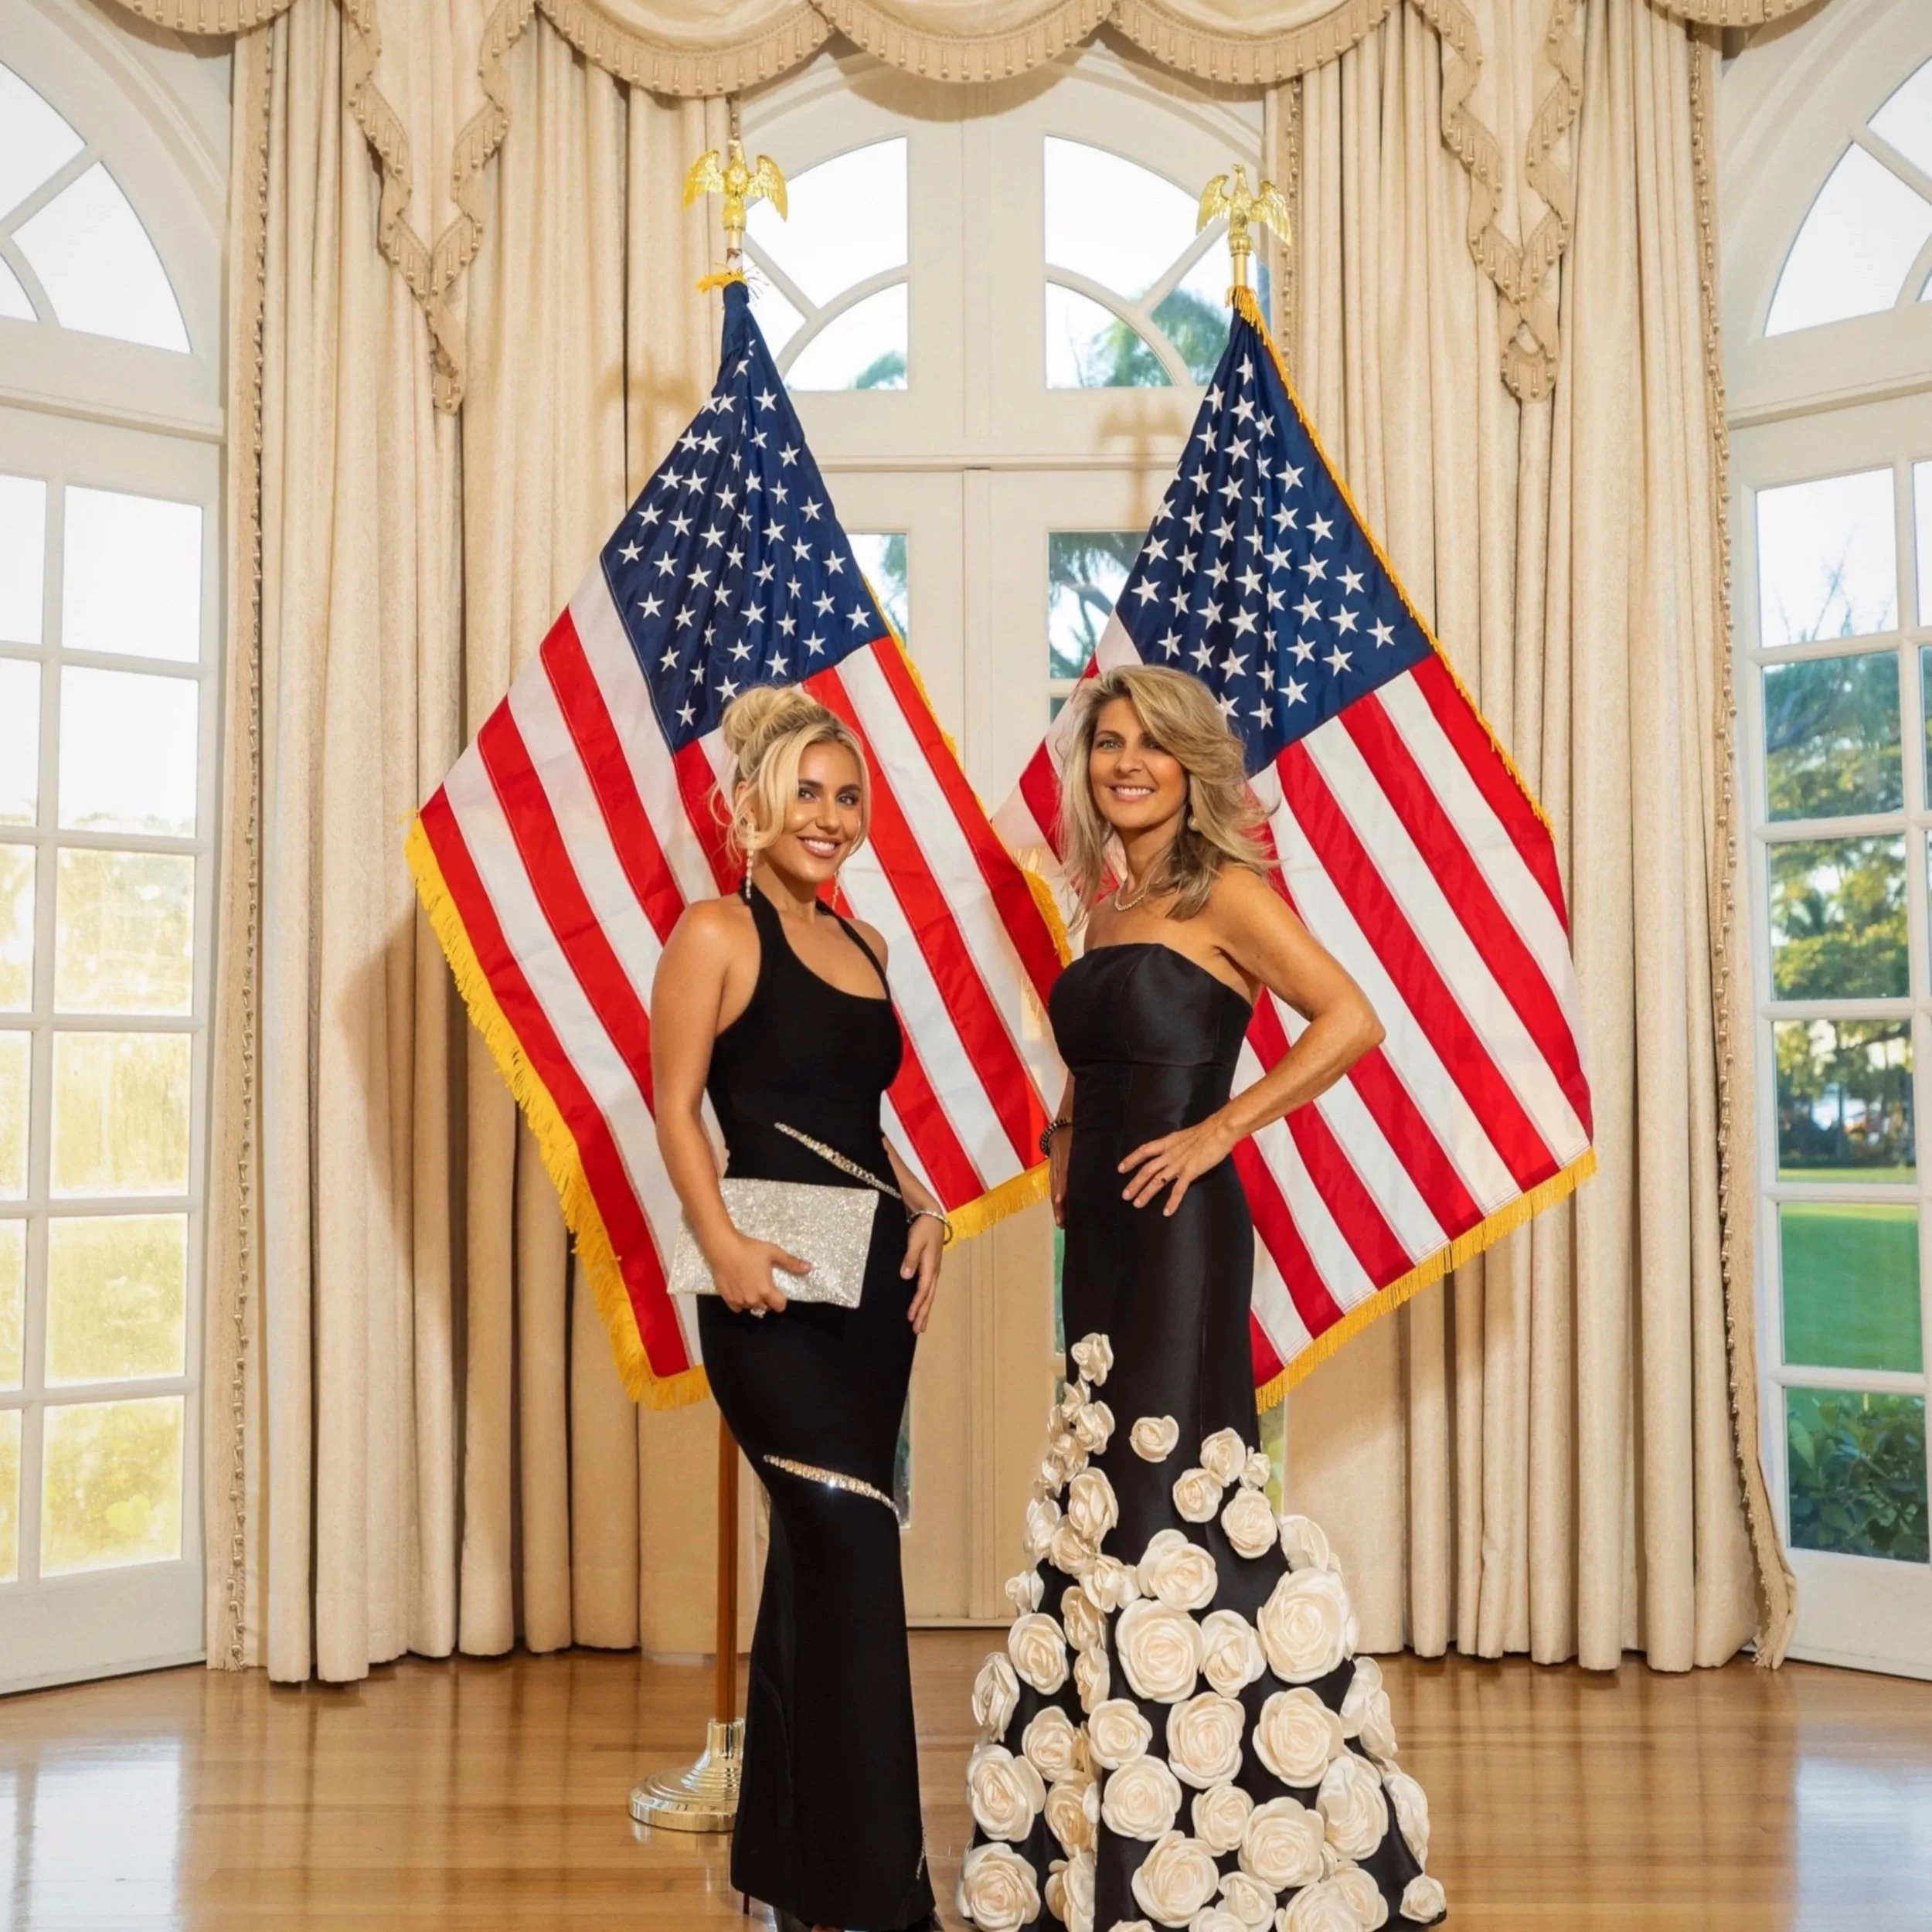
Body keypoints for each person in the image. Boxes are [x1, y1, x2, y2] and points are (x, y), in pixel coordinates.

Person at [957, 665, 1447, 1932]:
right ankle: (1117, 1825)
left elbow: (1349, 1018)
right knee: (1102, 1493)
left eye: (1150, 747)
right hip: (1103, 1238)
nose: (1123, 762)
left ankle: (1238, 1835)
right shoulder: (1107, 903)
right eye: (1106, 743)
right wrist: (1069, 1126)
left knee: (1170, 1508)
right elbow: (1109, 1049)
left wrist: (1224, 1127)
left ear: (1192, 768)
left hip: (1182, 1232)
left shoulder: (1227, 890)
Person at [653, 686, 947, 1932]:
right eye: (810, 794)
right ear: (757, 805)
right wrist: (718, 1241)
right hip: (765, 1284)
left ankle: (780, 1875)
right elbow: (677, 1111)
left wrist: (925, 1205)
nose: (832, 818)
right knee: (848, 1550)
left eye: (848, 797)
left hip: (874, 1285)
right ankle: (883, 1901)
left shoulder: (868, 943)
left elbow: (857, 1120)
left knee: (814, 1574)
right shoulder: (713, 932)